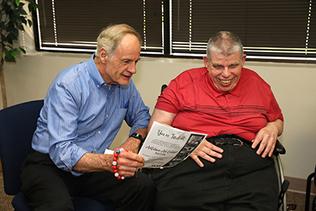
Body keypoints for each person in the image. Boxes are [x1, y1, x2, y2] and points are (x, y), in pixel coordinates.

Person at [21, 24, 155, 211]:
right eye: (126, 61)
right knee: (59, 207)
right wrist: (111, 162)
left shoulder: (124, 84)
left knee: (143, 187)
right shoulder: (69, 84)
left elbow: (141, 116)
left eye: (136, 62)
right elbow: (62, 152)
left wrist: (134, 139)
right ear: (103, 55)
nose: (132, 70)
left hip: (91, 165)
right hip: (50, 165)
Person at [149, 31, 284, 211]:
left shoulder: (258, 83)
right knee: (176, 202)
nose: (226, 74)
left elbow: (278, 120)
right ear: (206, 62)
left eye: (233, 65)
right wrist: (187, 143)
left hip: (249, 164)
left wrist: (272, 128)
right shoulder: (184, 82)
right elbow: (156, 127)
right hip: (195, 159)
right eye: (218, 66)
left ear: (243, 59)